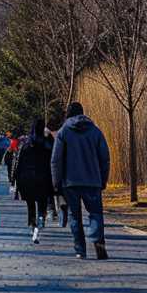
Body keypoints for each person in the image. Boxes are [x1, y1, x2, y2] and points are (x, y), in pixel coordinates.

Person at [51, 101, 111, 260]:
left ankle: (80, 250)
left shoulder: (63, 132)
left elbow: (56, 160)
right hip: (92, 181)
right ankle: (99, 245)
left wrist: (56, 183)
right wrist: (103, 180)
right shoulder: (95, 132)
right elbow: (105, 159)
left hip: (70, 182)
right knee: (96, 213)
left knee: (74, 215)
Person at [11, 119, 54, 244]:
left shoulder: (26, 144)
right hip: (43, 178)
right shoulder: (47, 143)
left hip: (28, 179)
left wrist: (14, 180)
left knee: (30, 205)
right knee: (42, 203)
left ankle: (33, 224)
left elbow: (18, 163)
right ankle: (41, 221)